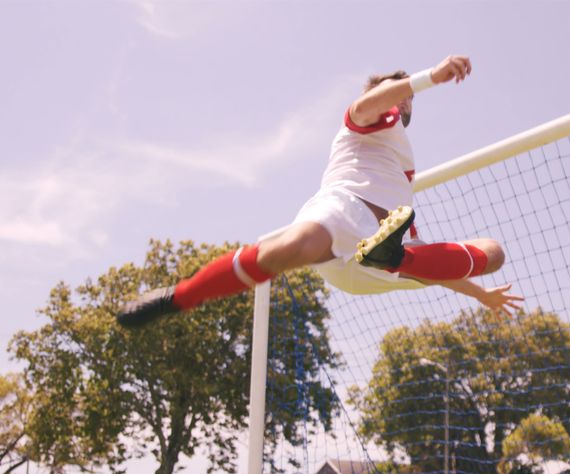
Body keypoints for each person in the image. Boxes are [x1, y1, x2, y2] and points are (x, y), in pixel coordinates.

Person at [117, 55, 522, 327]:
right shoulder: (362, 122)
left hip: (378, 262)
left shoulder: (403, 164)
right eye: (393, 91)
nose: (401, 97)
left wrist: (481, 296)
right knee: (290, 248)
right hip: (344, 213)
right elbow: (367, 104)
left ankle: (392, 255)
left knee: (494, 253)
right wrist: (427, 78)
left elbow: (441, 270)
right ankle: (179, 297)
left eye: (407, 95)